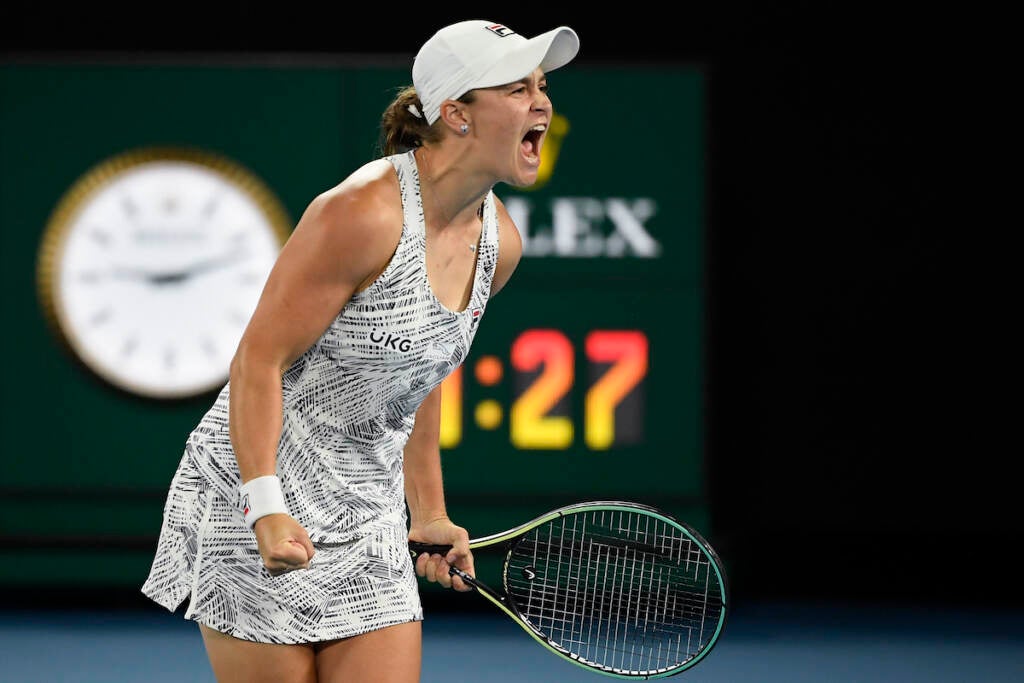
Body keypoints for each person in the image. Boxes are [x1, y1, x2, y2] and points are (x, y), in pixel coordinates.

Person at [141, 19, 580, 683]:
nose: (542, 102)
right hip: (254, 490)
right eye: (517, 88)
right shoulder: (362, 214)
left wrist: (428, 511)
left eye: (542, 86)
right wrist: (265, 504)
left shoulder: (500, 245)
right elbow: (257, 362)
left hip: (366, 510)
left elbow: (423, 374)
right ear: (456, 114)